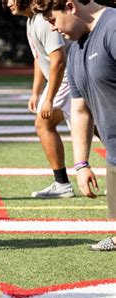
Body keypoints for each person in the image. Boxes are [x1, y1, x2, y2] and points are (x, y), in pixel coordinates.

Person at [33, 0, 116, 250]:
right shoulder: (77, 49)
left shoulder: (113, 28)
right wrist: (81, 164)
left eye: (52, 21)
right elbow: (80, 110)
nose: (54, 29)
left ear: (70, 7)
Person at [3, 0, 75, 198]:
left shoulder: (43, 20)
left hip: (67, 78)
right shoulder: (31, 21)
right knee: (95, 126)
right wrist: (36, 92)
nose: (7, 3)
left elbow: (58, 60)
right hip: (64, 78)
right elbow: (39, 57)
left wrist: (49, 99)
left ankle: (62, 184)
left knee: (43, 124)